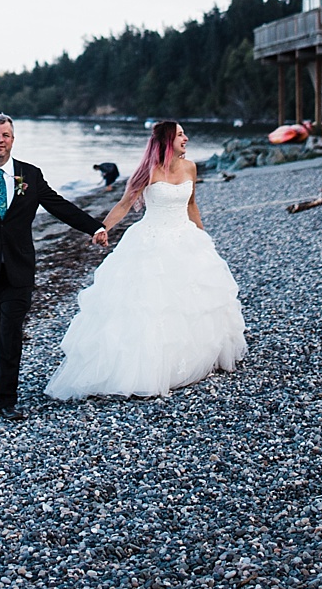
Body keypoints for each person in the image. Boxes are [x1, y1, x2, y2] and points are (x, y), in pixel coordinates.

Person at [45, 120, 247, 401]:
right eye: (180, 135)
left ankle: (192, 360)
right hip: (151, 240)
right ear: (167, 141)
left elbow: (191, 205)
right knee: (151, 304)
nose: (186, 138)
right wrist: (102, 228)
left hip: (185, 239)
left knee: (193, 302)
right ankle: (149, 369)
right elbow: (125, 204)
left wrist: (203, 238)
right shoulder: (148, 171)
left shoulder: (190, 168)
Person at [0, 112, 108, 420]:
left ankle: (5, 399)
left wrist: (94, 228)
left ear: (12, 140)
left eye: (5, 135)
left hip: (18, 270)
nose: (0, 140)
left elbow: (59, 205)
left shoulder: (30, 175)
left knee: (10, 333)